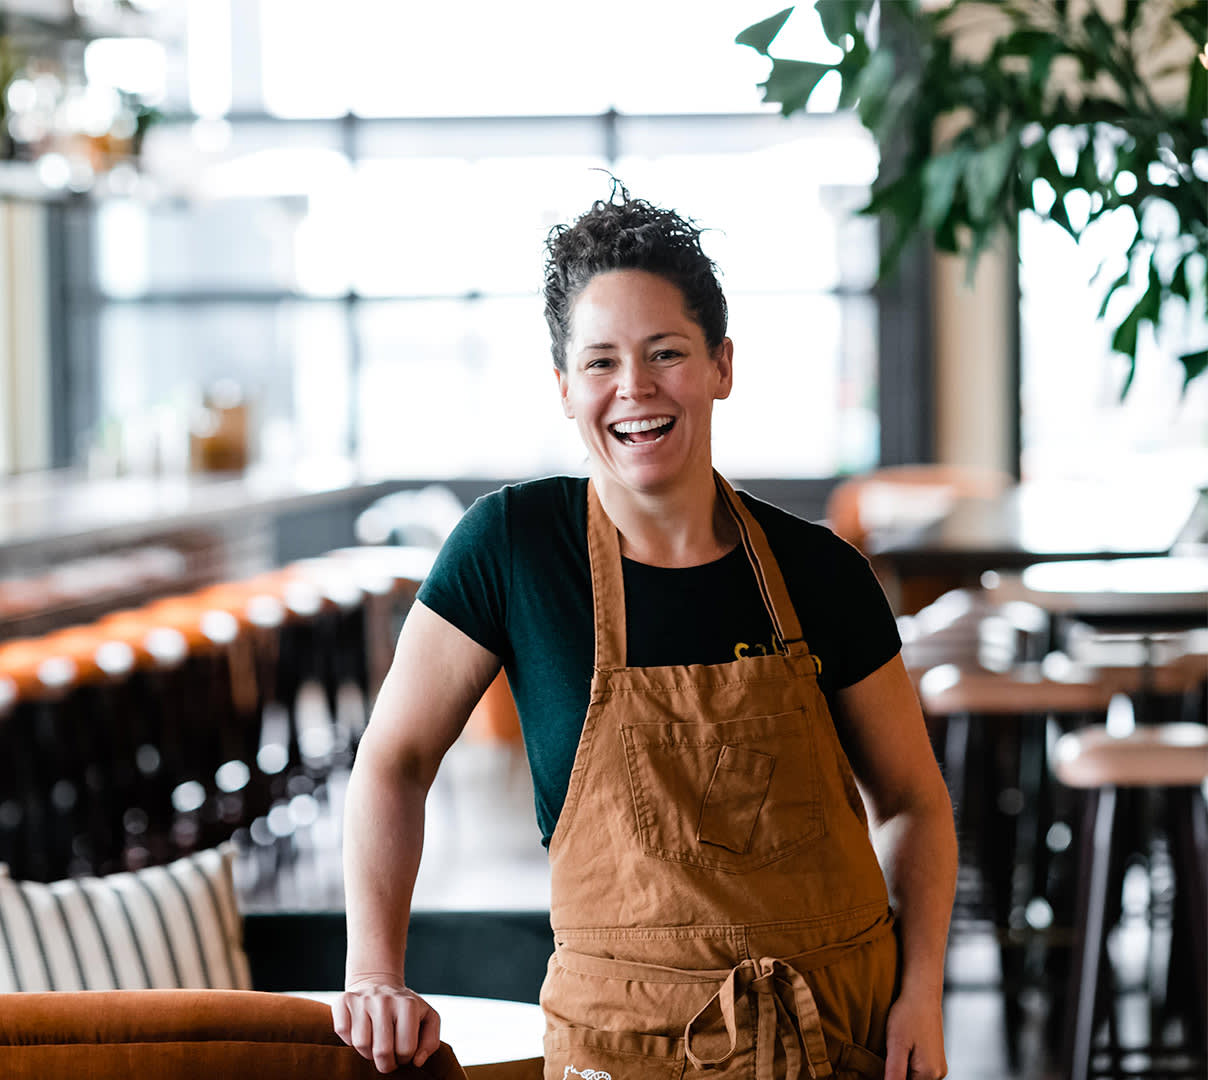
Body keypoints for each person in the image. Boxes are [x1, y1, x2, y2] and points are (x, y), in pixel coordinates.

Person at [332, 186, 957, 1080]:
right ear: (563, 388)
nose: (635, 389)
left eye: (666, 353)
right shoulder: (512, 549)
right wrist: (373, 973)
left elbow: (914, 803)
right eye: (600, 362)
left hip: (838, 1033)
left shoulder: (823, 572)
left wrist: (921, 992)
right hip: (623, 1043)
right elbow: (392, 762)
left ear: (721, 366)